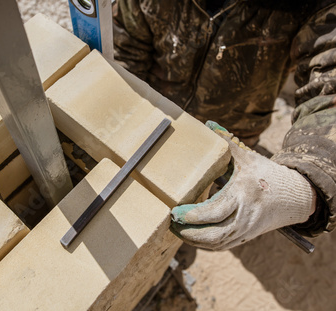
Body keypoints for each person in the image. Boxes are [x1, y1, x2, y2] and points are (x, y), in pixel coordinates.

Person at [113, 0, 336, 250]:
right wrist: (125, 114)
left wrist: (305, 184)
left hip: (232, 138)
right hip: (157, 122)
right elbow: (125, 48)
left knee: (197, 217)